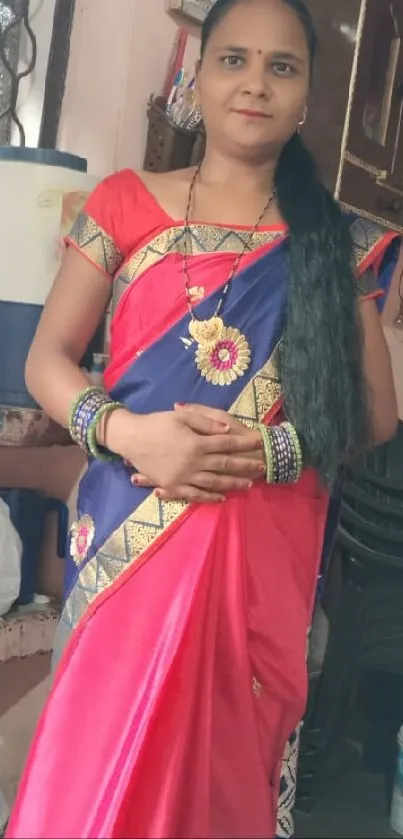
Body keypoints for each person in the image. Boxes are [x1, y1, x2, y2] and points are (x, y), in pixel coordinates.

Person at [7, 1, 399, 837]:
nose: (255, 84)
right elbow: (46, 361)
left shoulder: (335, 241)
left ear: (304, 97)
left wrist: (271, 450)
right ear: (197, 76)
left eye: (282, 68)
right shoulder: (122, 203)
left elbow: (372, 411)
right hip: (126, 537)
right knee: (97, 763)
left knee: (219, 778)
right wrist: (126, 432)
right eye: (234, 61)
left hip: (256, 550)